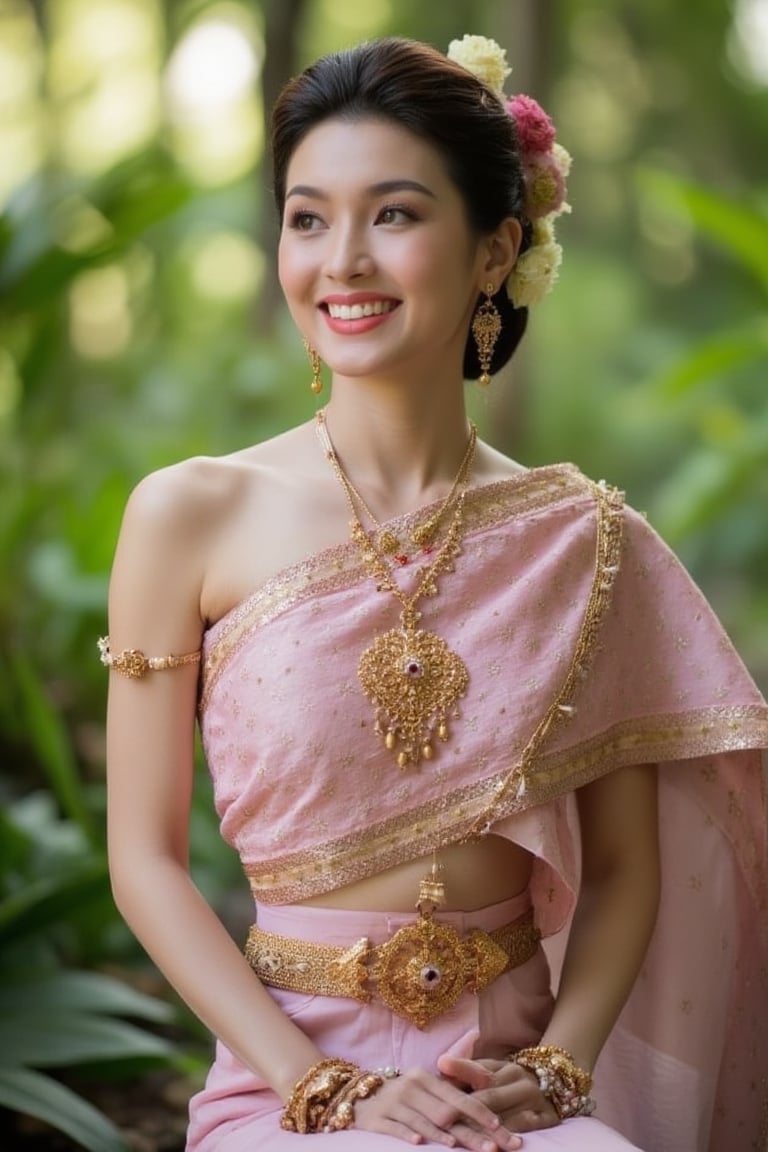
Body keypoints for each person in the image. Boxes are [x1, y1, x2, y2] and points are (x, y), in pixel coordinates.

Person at [101, 32, 768, 1152]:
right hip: (286, 1086)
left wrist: (560, 1071)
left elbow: (622, 873)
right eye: (308, 218)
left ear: (496, 248)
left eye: (394, 215)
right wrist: (320, 1084)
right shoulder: (188, 516)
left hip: (510, 1087)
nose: (342, 260)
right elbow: (143, 862)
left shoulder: (583, 543)